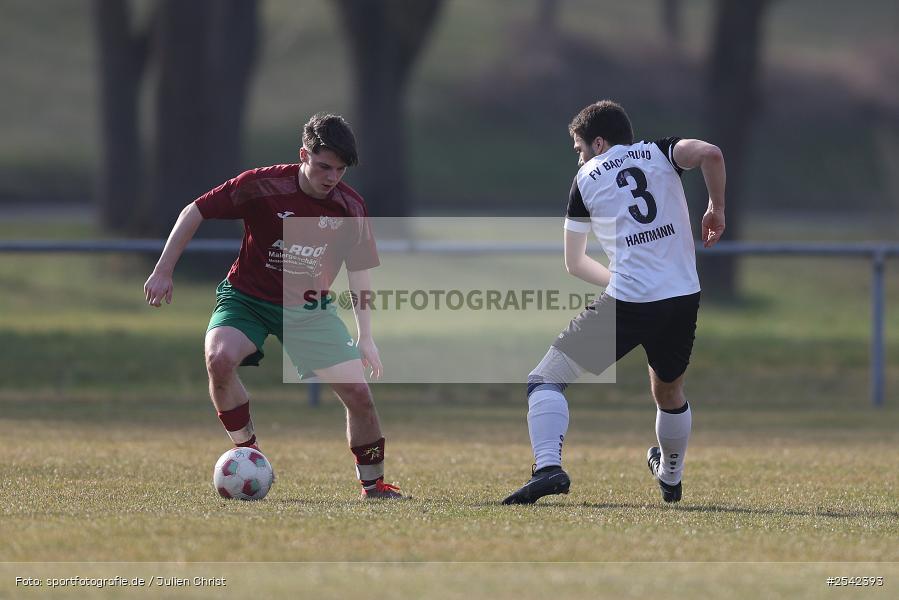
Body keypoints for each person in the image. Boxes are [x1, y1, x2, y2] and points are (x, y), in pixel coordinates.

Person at [143, 113, 403, 500]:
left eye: (340, 170)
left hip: (309, 311)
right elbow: (194, 211)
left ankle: (374, 484)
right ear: (304, 155)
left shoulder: (351, 207)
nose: (331, 177)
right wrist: (163, 270)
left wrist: (367, 337)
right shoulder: (261, 186)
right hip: (246, 298)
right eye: (324, 166)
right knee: (219, 359)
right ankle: (249, 450)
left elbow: (360, 273)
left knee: (360, 396)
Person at [503, 100, 726, 505]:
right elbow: (711, 153)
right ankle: (671, 477)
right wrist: (716, 208)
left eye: (579, 149)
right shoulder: (662, 151)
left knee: (545, 380)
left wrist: (620, 279)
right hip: (682, 297)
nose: (579, 159)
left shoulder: (586, 178)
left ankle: (549, 468)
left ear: (599, 143)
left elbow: (574, 263)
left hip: (631, 300)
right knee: (670, 391)